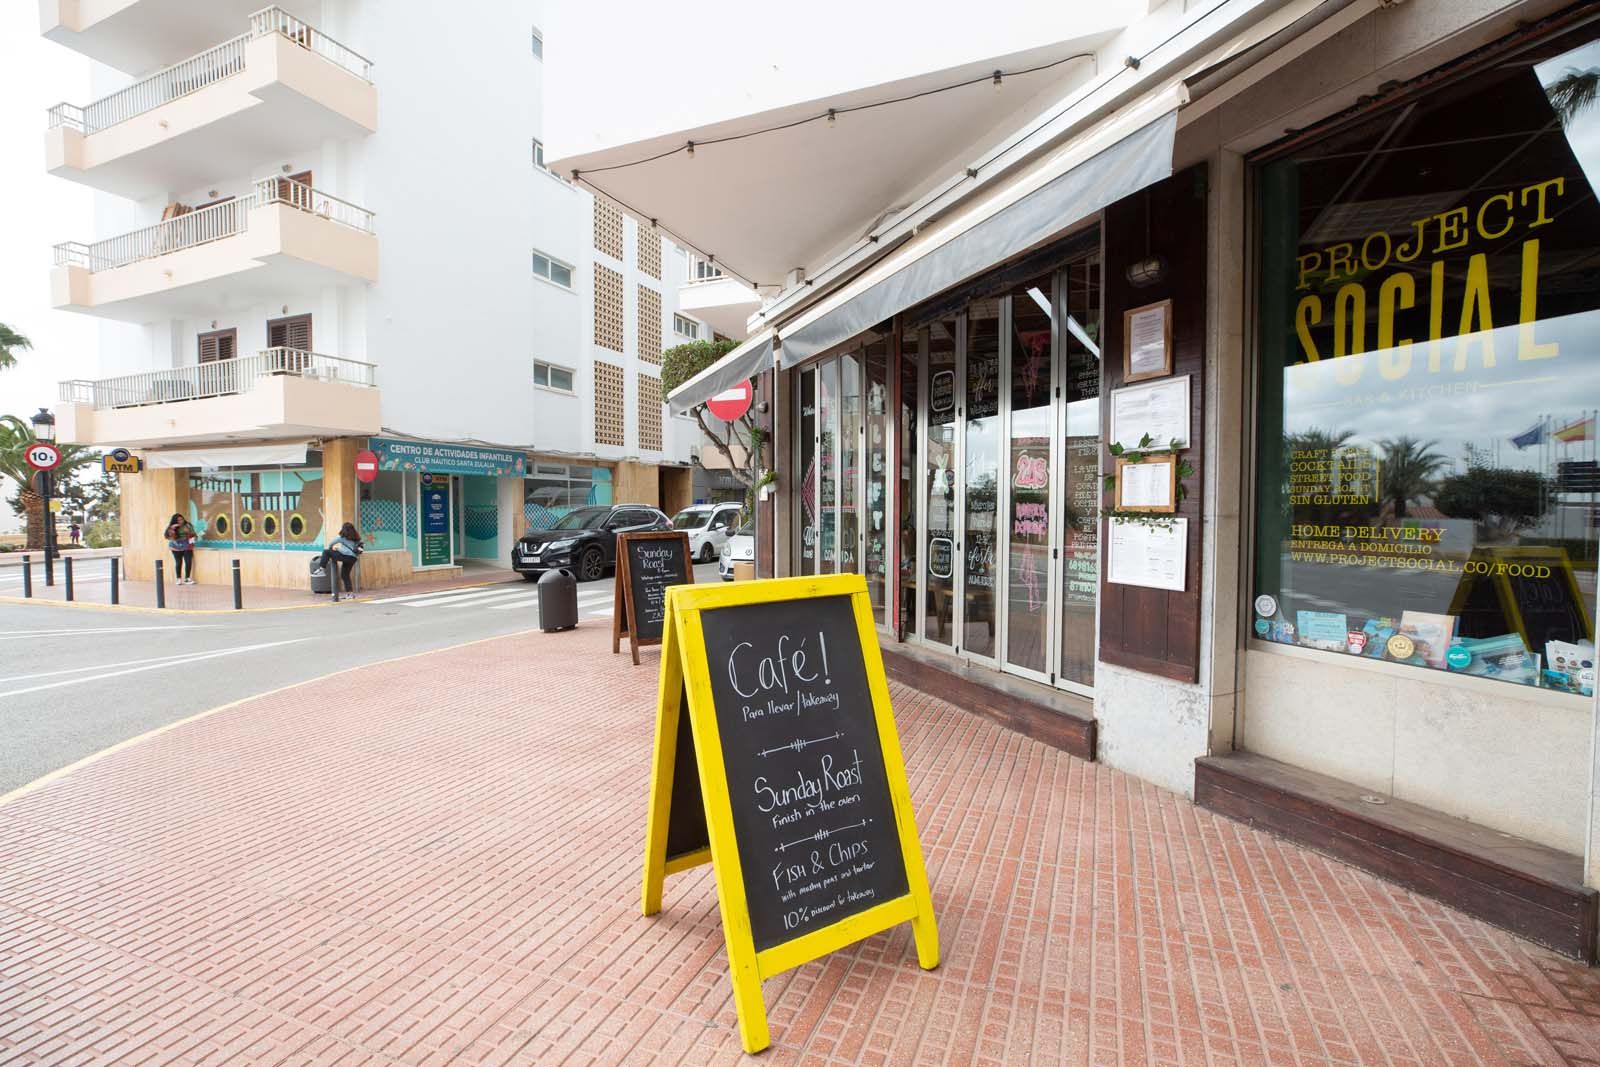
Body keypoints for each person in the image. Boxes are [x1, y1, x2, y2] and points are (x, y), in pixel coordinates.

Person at [320, 522, 364, 595]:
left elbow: (331, 543)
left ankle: (322, 569)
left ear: (344, 529)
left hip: (345, 557)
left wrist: (333, 549)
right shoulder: (357, 538)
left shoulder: (342, 537)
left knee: (326, 552)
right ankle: (350, 594)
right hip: (353, 559)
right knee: (345, 575)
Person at [163, 513, 196, 585]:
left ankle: (187, 578)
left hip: (187, 546)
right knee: (178, 562)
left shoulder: (188, 525)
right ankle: (179, 579)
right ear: (175, 521)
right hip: (176, 547)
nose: (181, 521)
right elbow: (168, 537)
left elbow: (194, 535)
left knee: (188, 562)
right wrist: (172, 528)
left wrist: (189, 533)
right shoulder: (171, 527)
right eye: (178, 520)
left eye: (182, 519)